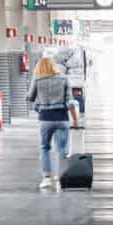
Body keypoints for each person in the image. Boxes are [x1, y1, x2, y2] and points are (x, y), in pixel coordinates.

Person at [27, 55, 80, 190]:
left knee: (45, 148)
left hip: (45, 119)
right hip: (62, 118)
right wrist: (75, 120)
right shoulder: (64, 79)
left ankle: (46, 179)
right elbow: (70, 102)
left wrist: (36, 84)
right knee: (61, 149)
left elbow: (30, 97)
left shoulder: (38, 80)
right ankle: (61, 176)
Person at [55, 43, 88, 119]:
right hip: (76, 81)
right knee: (78, 97)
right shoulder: (76, 57)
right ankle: (80, 114)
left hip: (65, 81)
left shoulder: (57, 59)